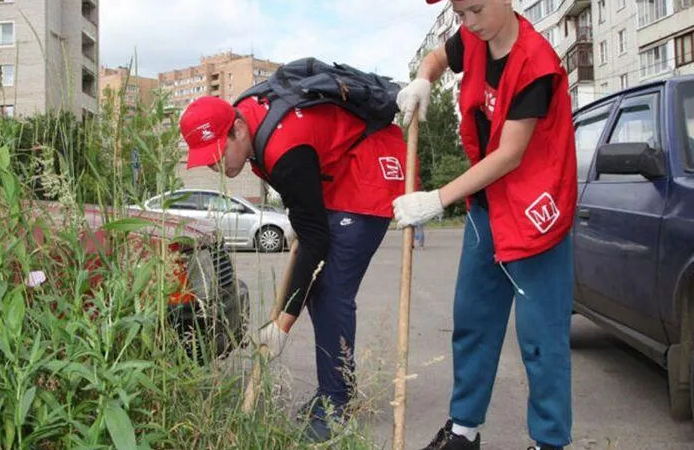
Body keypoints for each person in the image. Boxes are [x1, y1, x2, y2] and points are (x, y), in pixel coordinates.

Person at [394, 1, 577, 449]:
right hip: (488, 208)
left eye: (474, 8)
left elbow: (510, 153)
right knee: (473, 321)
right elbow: (437, 57)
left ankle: (549, 442)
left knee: (541, 338)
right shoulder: (472, 38)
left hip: (536, 213)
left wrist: (437, 198)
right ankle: (463, 431)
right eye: (459, 13)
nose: (467, 22)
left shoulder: (536, 63)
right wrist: (423, 79)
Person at [179, 91, 410, 441]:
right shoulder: (252, 130)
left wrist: (281, 326)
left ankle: (337, 404)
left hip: (368, 169)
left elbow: (316, 241)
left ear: (239, 129)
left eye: (217, 155)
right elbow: (307, 218)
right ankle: (332, 389)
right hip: (334, 173)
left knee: (330, 290)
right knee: (316, 291)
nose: (216, 167)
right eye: (207, 161)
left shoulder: (283, 147)